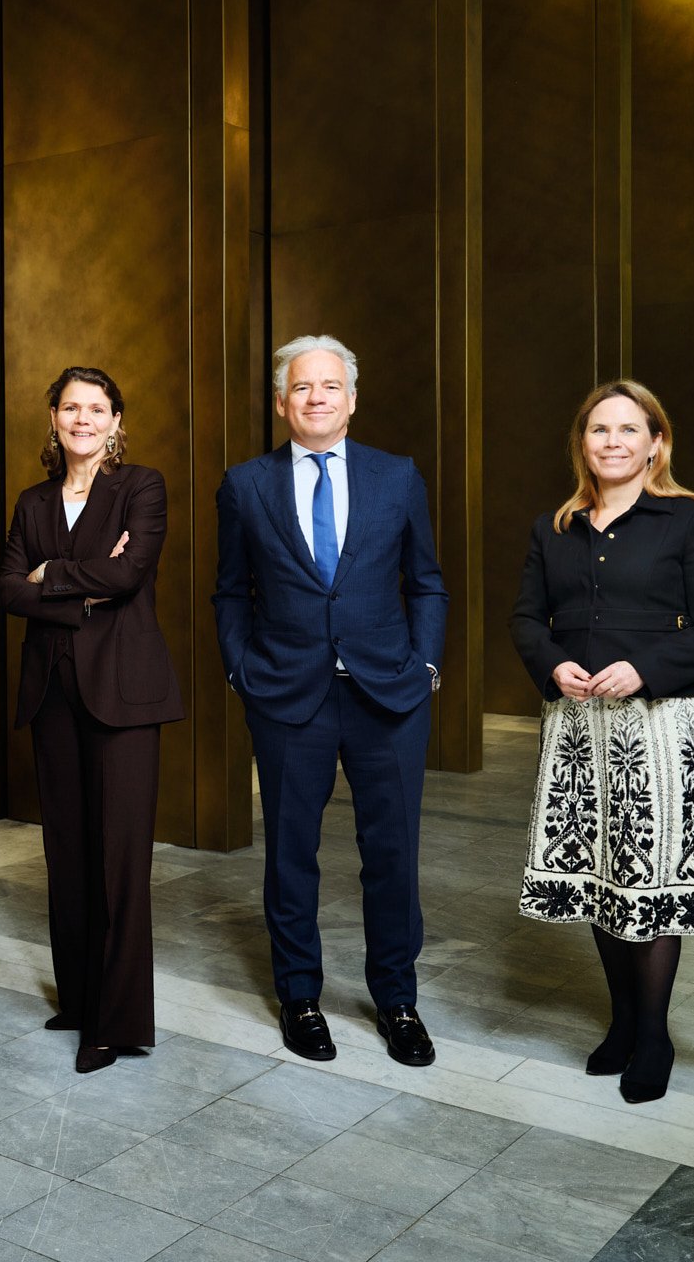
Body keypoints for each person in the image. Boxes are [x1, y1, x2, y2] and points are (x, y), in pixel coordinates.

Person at [510, 379, 694, 1104]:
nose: (612, 441)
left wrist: (644, 668)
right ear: (582, 444)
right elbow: (526, 619)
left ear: (656, 443)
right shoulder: (554, 528)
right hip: (577, 728)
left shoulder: (690, 520)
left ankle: (653, 1036)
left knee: (647, 878)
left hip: (659, 725)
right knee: (598, 875)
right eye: (599, 430)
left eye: (628, 429)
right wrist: (552, 663)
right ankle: (621, 1022)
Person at [213, 334, 447, 1068]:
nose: (316, 397)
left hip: (388, 695)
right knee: (291, 853)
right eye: (301, 387)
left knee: (393, 854)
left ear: (352, 399)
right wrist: (241, 671)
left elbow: (427, 581)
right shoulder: (245, 485)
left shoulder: (396, 475)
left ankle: (398, 1000)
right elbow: (230, 591)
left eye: (330, 386)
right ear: (282, 402)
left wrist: (425, 666)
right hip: (287, 695)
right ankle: (299, 997)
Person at [0, 367, 183, 1074]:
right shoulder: (32, 501)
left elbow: (128, 576)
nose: (83, 419)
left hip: (125, 697)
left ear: (115, 421)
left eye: (97, 408)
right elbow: (7, 589)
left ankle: (116, 1022)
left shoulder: (141, 487)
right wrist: (79, 584)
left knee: (119, 861)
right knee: (68, 854)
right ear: (53, 417)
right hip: (53, 694)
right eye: (71, 407)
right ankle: (78, 999)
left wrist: (49, 576)